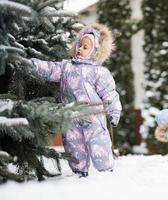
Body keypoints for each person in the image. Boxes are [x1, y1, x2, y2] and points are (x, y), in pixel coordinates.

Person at [30, 24, 122, 177]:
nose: (80, 48)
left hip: (93, 117)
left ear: (95, 51)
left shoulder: (98, 72)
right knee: (73, 144)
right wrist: (31, 64)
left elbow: (110, 93)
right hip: (71, 116)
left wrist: (114, 111)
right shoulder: (66, 67)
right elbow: (50, 69)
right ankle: (80, 172)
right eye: (79, 44)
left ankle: (106, 172)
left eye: (85, 47)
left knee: (99, 143)